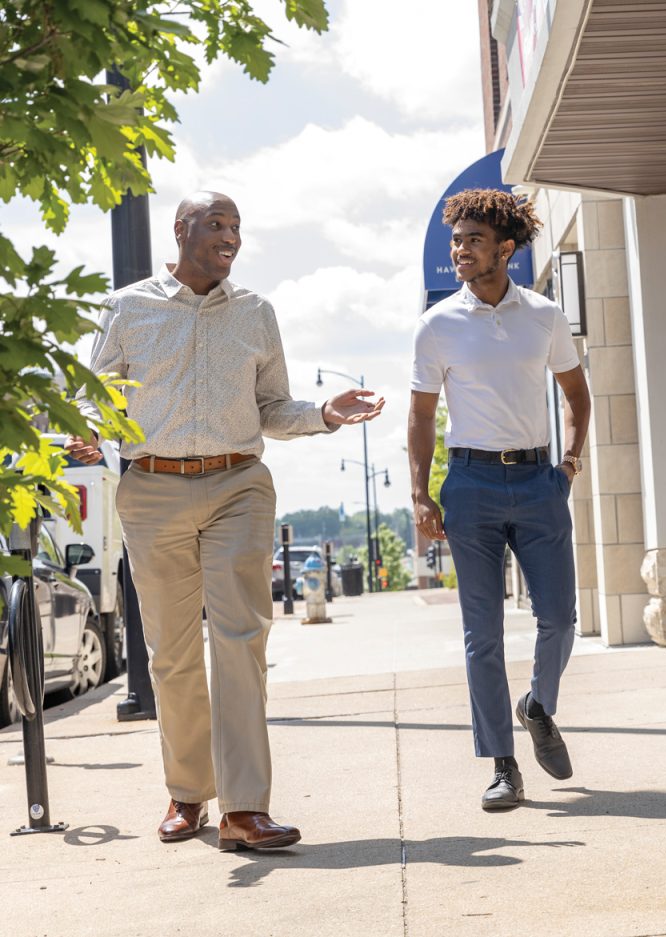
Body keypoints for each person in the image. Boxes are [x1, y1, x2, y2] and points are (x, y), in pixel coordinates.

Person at [67, 191, 384, 848]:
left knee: (240, 640)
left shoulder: (255, 313)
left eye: (237, 225)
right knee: (172, 652)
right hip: (153, 489)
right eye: (217, 223)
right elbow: (96, 394)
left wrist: (323, 413)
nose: (230, 235)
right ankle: (188, 794)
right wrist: (88, 432)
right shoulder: (128, 308)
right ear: (181, 230)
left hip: (239, 482)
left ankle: (244, 808)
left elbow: (271, 406)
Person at [408, 188, 591, 811]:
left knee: (560, 619)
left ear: (505, 249)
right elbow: (420, 416)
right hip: (470, 485)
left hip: (539, 482)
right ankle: (504, 765)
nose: (459, 250)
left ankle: (538, 704)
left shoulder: (543, 315)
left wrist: (568, 462)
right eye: (456, 241)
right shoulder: (437, 326)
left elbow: (577, 393)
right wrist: (420, 493)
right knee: (480, 636)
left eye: (472, 241)